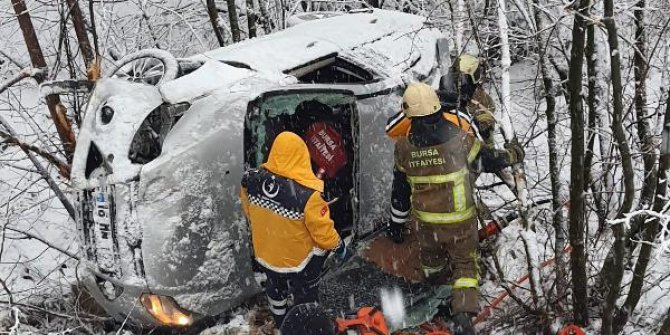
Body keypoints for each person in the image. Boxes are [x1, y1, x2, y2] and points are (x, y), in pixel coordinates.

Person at [386, 83, 524, 335]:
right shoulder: (460, 141)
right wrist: (514, 153)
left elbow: (400, 192)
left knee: (432, 264)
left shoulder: (403, 148)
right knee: (466, 268)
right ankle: (462, 316)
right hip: (460, 223)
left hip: (426, 226)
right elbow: (492, 160)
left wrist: (395, 225)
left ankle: (438, 298)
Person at [240, 131, 347, 328]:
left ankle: (280, 320)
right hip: (298, 262)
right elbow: (323, 235)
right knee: (306, 292)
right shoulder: (308, 196)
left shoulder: (250, 181)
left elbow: (249, 212)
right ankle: (303, 322)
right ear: (302, 156)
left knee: (275, 287)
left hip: (266, 255)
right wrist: (340, 247)